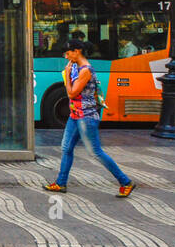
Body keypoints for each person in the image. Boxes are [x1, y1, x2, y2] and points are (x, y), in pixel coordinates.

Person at [45, 39, 133, 197]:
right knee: (66, 148)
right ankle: (60, 183)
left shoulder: (85, 70)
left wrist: (66, 77)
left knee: (95, 152)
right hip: (75, 115)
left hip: (86, 116)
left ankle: (125, 182)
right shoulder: (77, 67)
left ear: (77, 51)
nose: (66, 56)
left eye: (68, 52)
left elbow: (72, 93)